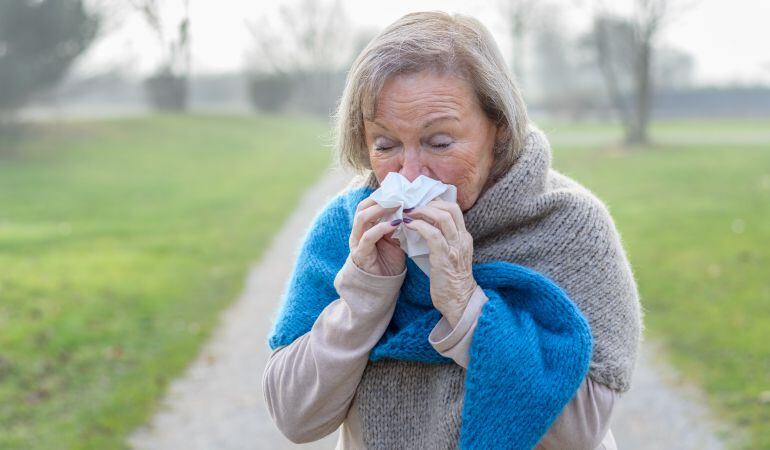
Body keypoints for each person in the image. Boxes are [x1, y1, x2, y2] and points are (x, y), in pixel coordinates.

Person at [262, 11, 642, 450]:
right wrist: (366, 296)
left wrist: (464, 304)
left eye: (439, 142)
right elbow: (294, 417)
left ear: (497, 128)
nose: (409, 172)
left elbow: (580, 433)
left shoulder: (570, 227)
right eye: (385, 145)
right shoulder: (346, 228)